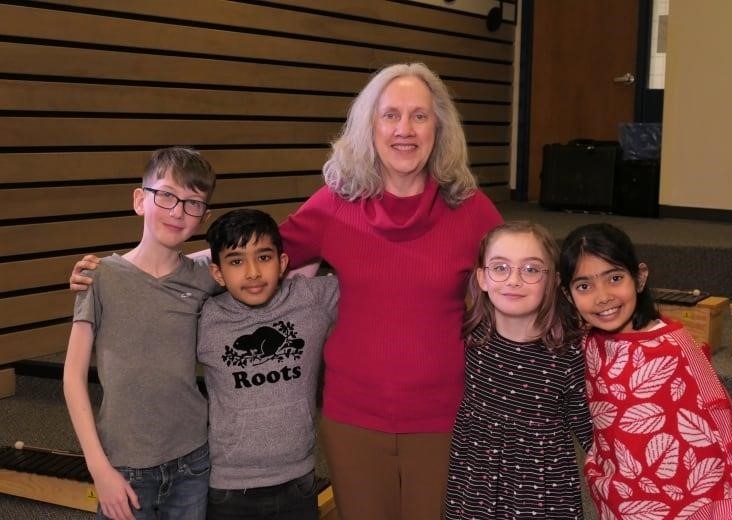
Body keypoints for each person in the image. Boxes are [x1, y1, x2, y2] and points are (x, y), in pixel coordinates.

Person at [70, 62, 503, 519]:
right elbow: (257, 256)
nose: (404, 130)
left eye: (420, 116)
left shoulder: (469, 208)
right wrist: (134, 268)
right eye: (390, 115)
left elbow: (520, 274)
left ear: (440, 126)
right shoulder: (338, 203)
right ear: (368, 126)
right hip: (353, 416)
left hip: (444, 414)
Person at [558, 223, 732, 520]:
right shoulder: (588, 343)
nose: (602, 297)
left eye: (614, 278)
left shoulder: (672, 344)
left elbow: (717, 413)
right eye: (584, 286)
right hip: (625, 491)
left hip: (695, 492)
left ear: (639, 278)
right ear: (568, 295)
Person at [63, 147, 219, 520]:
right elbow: (71, 378)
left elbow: (256, 254)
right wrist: (100, 470)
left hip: (193, 462)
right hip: (123, 467)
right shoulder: (99, 276)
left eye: (193, 203)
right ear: (139, 199)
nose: (178, 211)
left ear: (203, 217)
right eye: (166, 195)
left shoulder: (204, 277)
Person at [444, 221, 593, 519]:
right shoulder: (472, 334)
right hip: (476, 478)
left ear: (552, 281)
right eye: (500, 268)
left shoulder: (568, 350)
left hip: (541, 485)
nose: (514, 280)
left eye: (531, 269)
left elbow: (586, 425)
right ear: (482, 278)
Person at [198, 208, 339, 519]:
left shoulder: (310, 299)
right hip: (229, 488)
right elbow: (162, 283)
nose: (252, 273)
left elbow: (375, 283)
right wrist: (109, 274)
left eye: (264, 257)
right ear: (217, 273)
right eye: (236, 261)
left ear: (283, 262)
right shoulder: (205, 317)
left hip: (298, 481)